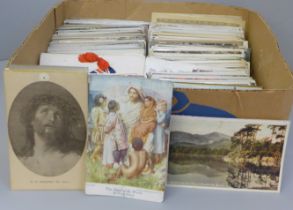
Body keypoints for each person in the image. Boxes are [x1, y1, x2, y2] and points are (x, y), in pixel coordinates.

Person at [19, 95, 84, 176]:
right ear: (31, 119)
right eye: (45, 111)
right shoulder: (22, 161)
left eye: (58, 115)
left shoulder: (72, 160)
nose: (52, 119)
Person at [102, 100, 127, 168]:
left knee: (114, 148)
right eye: (117, 106)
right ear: (114, 108)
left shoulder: (114, 115)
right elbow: (108, 127)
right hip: (112, 136)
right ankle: (111, 163)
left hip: (113, 135)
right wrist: (106, 130)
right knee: (111, 149)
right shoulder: (113, 116)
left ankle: (114, 162)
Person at [90, 94, 107, 161]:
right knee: (99, 145)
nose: (105, 102)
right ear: (100, 101)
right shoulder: (96, 109)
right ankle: (92, 156)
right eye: (104, 101)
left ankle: (96, 157)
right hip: (99, 129)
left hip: (102, 129)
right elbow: (95, 121)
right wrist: (97, 130)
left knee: (102, 145)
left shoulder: (101, 109)